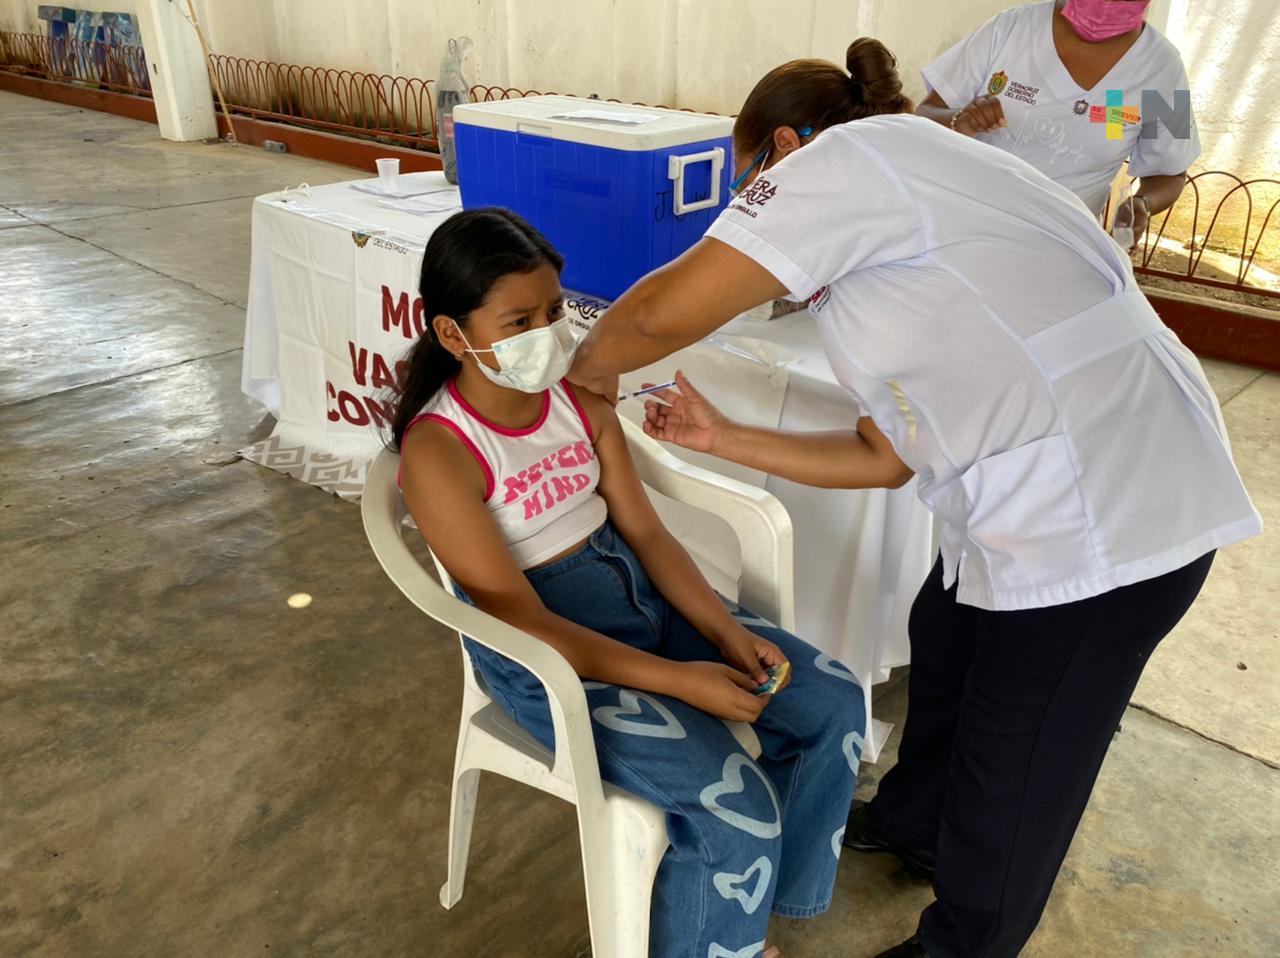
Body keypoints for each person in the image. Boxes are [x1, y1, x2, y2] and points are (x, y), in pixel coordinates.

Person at [566, 37, 1262, 958]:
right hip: (1045, 487)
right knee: (947, 639)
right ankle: (915, 821)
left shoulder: (848, 159)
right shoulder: (920, 186)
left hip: (1111, 521)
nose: (745, 219)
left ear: (780, 149)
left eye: (744, 188)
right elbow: (883, 457)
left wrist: (583, 376)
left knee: (1018, 762)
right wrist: (721, 437)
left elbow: (657, 313)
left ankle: (964, 941)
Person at [391, 208, 867, 958]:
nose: (547, 334)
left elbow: (646, 534)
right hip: (546, 656)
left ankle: (747, 922)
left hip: (639, 599)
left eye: (553, 310)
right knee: (732, 808)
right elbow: (522, 618)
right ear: (453, 334)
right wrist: (683, 681)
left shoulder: (578, 406)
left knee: (832, 701)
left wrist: (727, 633)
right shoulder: (441, 453)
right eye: (518, 320)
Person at [916, 0, 1198, 247]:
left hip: (1065, 250)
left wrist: (1143, 204)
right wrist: (959, 121)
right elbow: (924, 113)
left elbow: (1171, 173)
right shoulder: (1010, 29)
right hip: (960, 233)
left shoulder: (1163, 69)